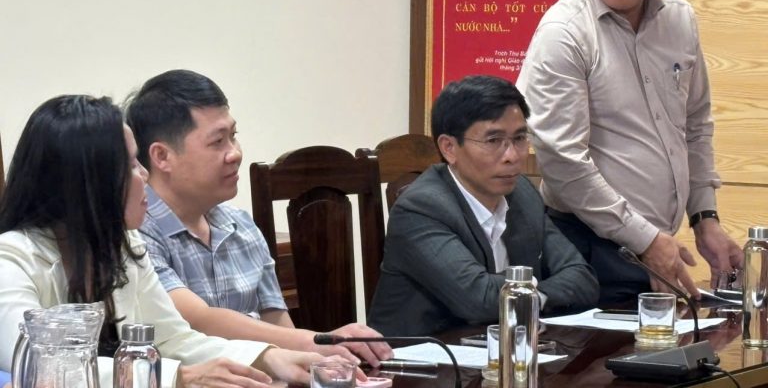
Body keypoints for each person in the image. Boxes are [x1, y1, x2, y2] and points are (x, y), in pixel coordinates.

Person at [517, 0, 743, 305]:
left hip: (654, 243)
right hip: (585, 249)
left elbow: (695, 125)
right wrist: (645, 241)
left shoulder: (679, 19)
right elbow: (563, 162)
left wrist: (704, 218)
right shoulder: (564, 33)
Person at [0, 95, 323, 388]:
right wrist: (178, 377)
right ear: (90, 181)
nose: (144, 175)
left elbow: (174, 339)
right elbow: (39, 367)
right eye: (131, 164)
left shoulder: (123, 245)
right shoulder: (11, 259)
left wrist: (269, 357)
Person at [124, 69, 392, 367]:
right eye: (217, 142)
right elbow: (196, 320)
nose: (235, 154)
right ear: (162, 157)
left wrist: (323, 353)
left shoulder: (240, 225)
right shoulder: (137, 233)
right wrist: (315, 341)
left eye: (233, 137)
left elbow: (279, 325)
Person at [367, 75, 599, 336]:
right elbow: (480, 299)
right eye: (493, 141)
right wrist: (539, 292)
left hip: (502, 348)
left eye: (520, 138)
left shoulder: (522, 193)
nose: (512, 156)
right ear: (449, 148)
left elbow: (582, 278)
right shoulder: (421, 209)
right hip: (422, 354)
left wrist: (529, 294)